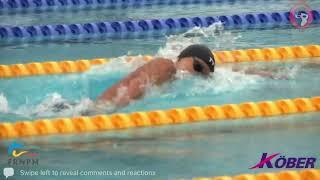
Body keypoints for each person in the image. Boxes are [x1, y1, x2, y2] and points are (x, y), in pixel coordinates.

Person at [94, 44, 280, 111]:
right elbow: (131, 86)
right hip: (92, 113)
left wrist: (269, 74)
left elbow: (230, 74)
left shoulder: (172, 78)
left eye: (203, 75)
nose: (195, 75)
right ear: (182, 58)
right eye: (197, 67)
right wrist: (103, 116)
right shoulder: (166, 66)